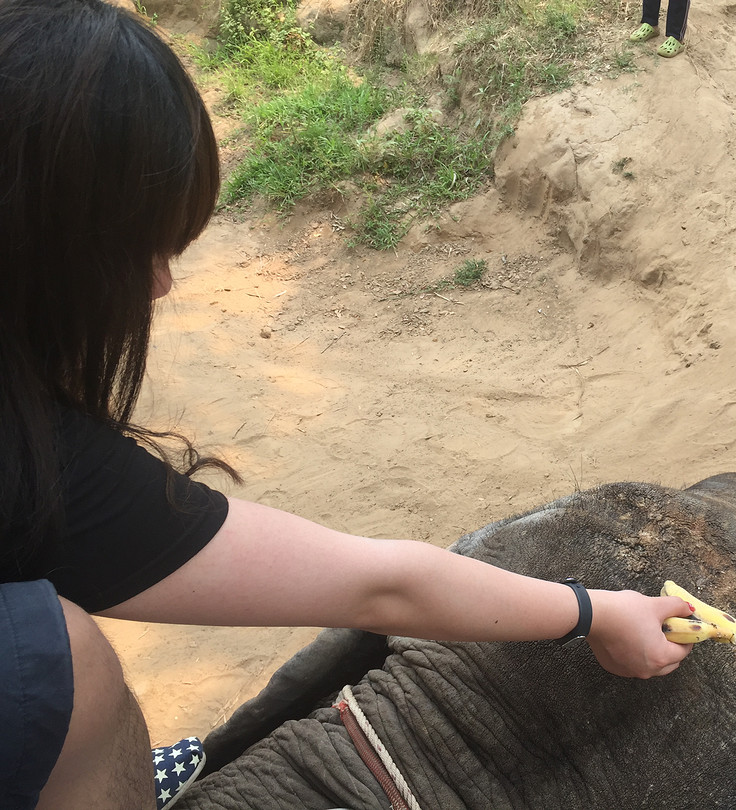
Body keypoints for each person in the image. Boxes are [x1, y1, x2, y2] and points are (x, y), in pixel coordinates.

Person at [0, 2, 697, 809]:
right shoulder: (32, 456)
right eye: (139, 251)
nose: (159, 284)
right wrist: (597, 613)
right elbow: (382, 588)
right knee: (58, 663)